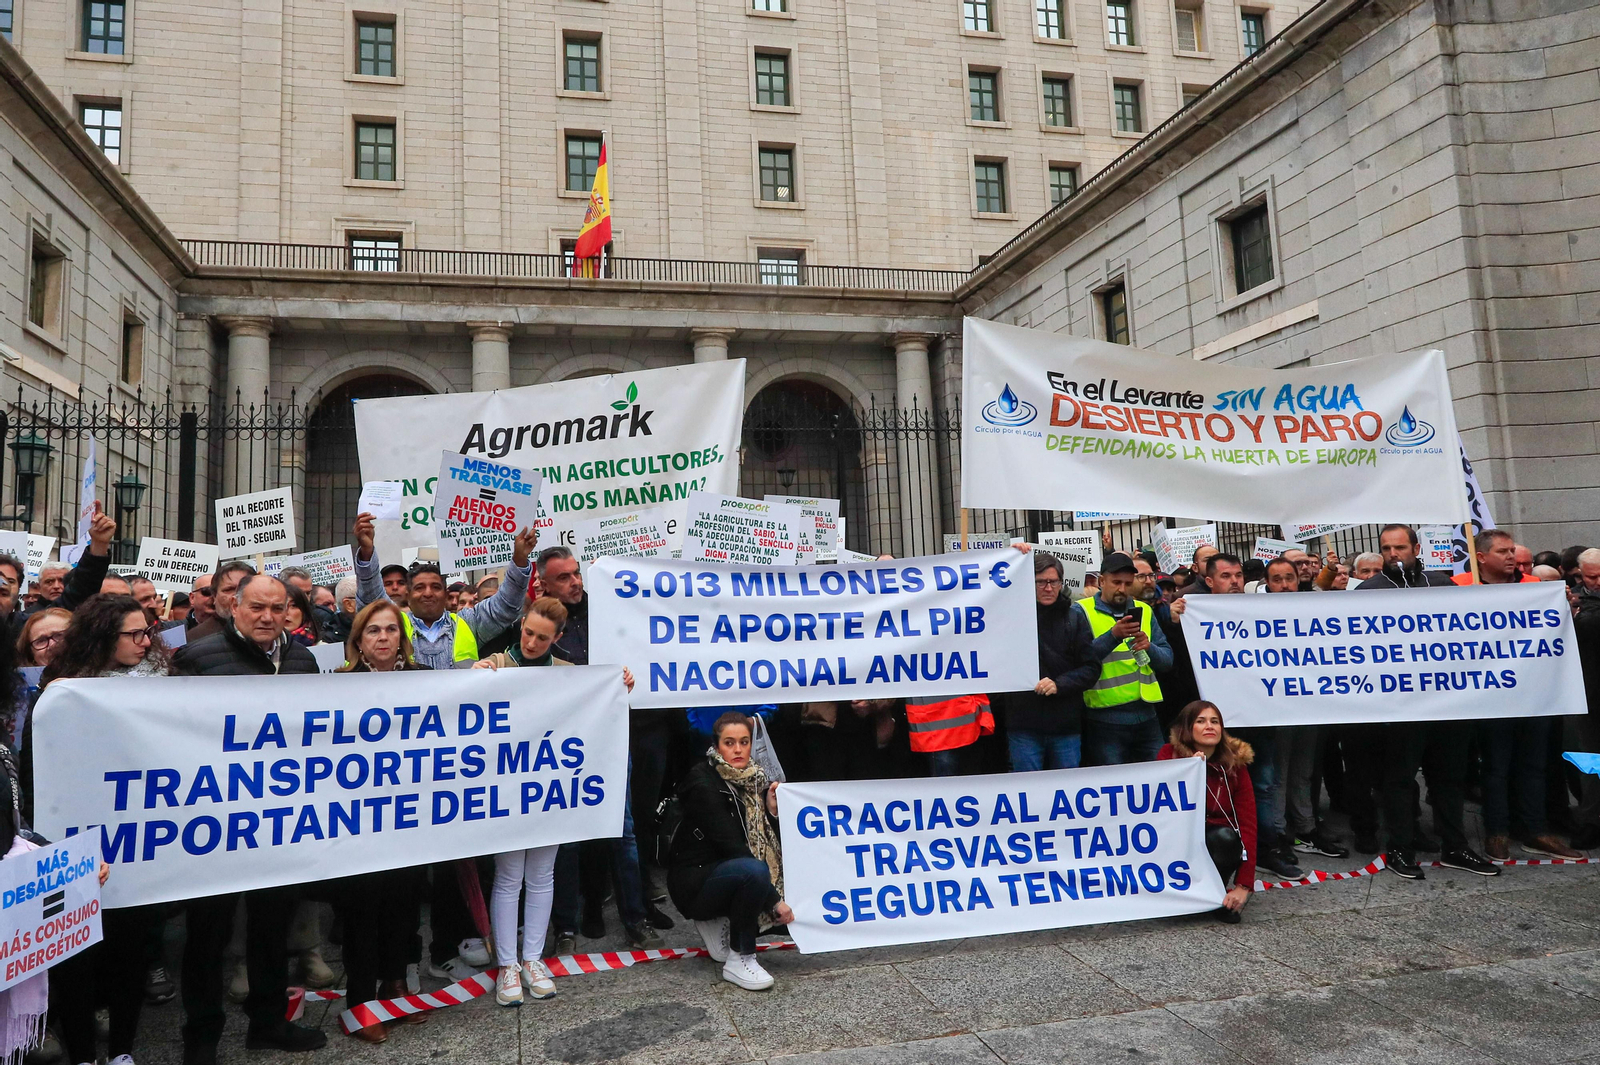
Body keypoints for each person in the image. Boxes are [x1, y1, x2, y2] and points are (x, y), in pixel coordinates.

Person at [171, 575, 324, 1063]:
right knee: (209, 936)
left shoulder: (301, 661)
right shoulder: (197, 659)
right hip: (215, 825)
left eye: (277, 609)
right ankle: (201, 1036)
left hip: (277, 824)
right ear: (234, 607)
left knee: (270, 928)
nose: (267, 617)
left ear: (289, 613)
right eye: (257, 607)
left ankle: (268, 1022)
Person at [34, 595, 170, 1065]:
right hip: (78, 845)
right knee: (77, 962)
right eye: (133, 634)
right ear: (101, 638)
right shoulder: (61, 693)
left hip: (136, 845)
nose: (145, 641)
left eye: (147, 632)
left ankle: (123, 1051)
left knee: (131, 954)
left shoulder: (161, 687)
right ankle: (84, 1055)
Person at [473, 598, 612, 1007]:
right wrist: (471, 676)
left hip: (548, 790)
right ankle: (508, 965)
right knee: (509, 875)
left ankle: (532, 959)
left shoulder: (568, 674)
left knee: (542, 874)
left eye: (542, 637)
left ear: (559, 638)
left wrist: (619, 682)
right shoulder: (496, 665)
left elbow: (600, 706)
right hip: (507, 789)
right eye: (528, 632)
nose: (532, 642)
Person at [536, 545, 666, 950]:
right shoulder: (538, 623)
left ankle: (635, 916)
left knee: (624, 829)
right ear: (544, 583)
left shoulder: (610, 609)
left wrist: (628, 676)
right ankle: (569, 923)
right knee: (570, 838)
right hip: (567, 744)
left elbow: (643, 650)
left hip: (615, 735)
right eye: (564, 577)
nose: (575, 581)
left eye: (576, 573)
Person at [1354, 524, 1497, 879]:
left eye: (1399, 547)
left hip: (1447, 703)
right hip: (1401, 707)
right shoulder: (1368, 591)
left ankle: (1456, 845)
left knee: (1449, 778)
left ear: (1416, 549)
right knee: (1399, 780)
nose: (1392, 555)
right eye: (1386, 548)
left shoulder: (1441, 584)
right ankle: (1401, 848)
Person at [331, 600, 429, 1043]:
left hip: (408, 821)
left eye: (391, 630)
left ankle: (396, 987)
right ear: (358, 642)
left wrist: (486, 670)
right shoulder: (337, 686)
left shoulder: (425, 681)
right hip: (357, 824)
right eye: (373, 631)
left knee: (402, 906)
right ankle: (360, 1003)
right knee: (362, 911)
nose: (384, 637)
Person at [1454, 530, 1580, 860]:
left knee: (1535, 765)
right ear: (1480, 557)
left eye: (1512, 551)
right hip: (1490, 696)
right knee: (1495, 767)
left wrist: (1565, 607)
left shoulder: (1536, 589)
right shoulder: (1460, 587)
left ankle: (1536, 829)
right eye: (1502, 551)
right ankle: (1497, 830)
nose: (1511, 557)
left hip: (1534, 692)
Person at [669, 712, 794, 991]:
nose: (737, 750)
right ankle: (740, 958)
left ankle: (717, 923)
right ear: (716, 746)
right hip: (693, 883)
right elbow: (734, 847)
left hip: (721, 872)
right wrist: (774, 901)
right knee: (753, 872)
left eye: (744, 742)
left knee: (751, 871)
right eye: (729, 743)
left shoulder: (753, 780)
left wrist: (771, 813)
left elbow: (759, 839)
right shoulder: (703, 783)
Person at [352, 512, 534, 669]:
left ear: (446, 595)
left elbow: (505, 606)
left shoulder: (468, 623)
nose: (428, 593)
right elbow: (372, 599)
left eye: (436, 587)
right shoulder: (395, 624)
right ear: (408, 595)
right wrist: (367, 553)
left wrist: (519, 560)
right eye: (419, 588)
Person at [997, 552, 1102, 772]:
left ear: (1061, 583)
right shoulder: (1012, 616)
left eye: (1053, 582)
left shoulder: (1074, 617)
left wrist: (1059, 684)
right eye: (1040, 582)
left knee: (1066, 791)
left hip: (1065, 727)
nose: (1047, 588)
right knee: (1028, 792)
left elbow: (1091, 668)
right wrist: (1014, 554)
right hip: (1023, 726)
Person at [1159, 701, 1255, 922]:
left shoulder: (1235, 765)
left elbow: (1248, 822)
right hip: (1179, 839)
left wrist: (1244, 886)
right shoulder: (1169, 755)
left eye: (1215, 721)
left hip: (1218, 841)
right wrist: (1186, 772)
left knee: (1225, 837)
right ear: (1187, 728)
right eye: (1200, 721)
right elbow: (1160, 806)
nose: (1209, 726)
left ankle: (1216, 895)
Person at [1078, 552, 1174, 765]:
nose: (1122, 589)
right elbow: (1078, 660)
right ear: (1101, 581)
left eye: (1128, 583)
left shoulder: (1144, 610)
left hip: (1146, 713)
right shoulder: (1081, 611)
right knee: (1114, 786)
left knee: (1157, 781)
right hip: (1104, 717)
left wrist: (1149, 647)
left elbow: (1167, 661)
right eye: (1116, 582)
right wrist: (1113, 636)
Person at [1572, 547, 1600, 849]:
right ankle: (1592, 819)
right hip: (1589, 694)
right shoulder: (1573, 600)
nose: (1598, 582)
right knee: (1592, 762)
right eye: (1592, 577)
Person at [185, 560, 257, 643]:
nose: (236, 595)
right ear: (215, 596)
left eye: (243, 587)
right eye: (229, 589)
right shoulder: (194, 639)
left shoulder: (271, 630)